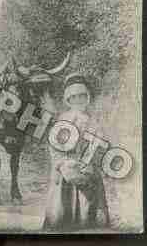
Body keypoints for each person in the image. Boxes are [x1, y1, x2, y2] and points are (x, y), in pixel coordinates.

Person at [43, 73, 110, 231]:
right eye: (74, 97)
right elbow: (54, 146)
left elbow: (100, 144)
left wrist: (91, 161)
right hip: (67, 169)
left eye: (82, 96)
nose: (78, 100)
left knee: (89, 214)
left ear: (87, 97)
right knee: (62, 212)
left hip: (88, 168)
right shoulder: (63, 119)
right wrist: (64, 163)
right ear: (68, 99)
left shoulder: (94, 119)